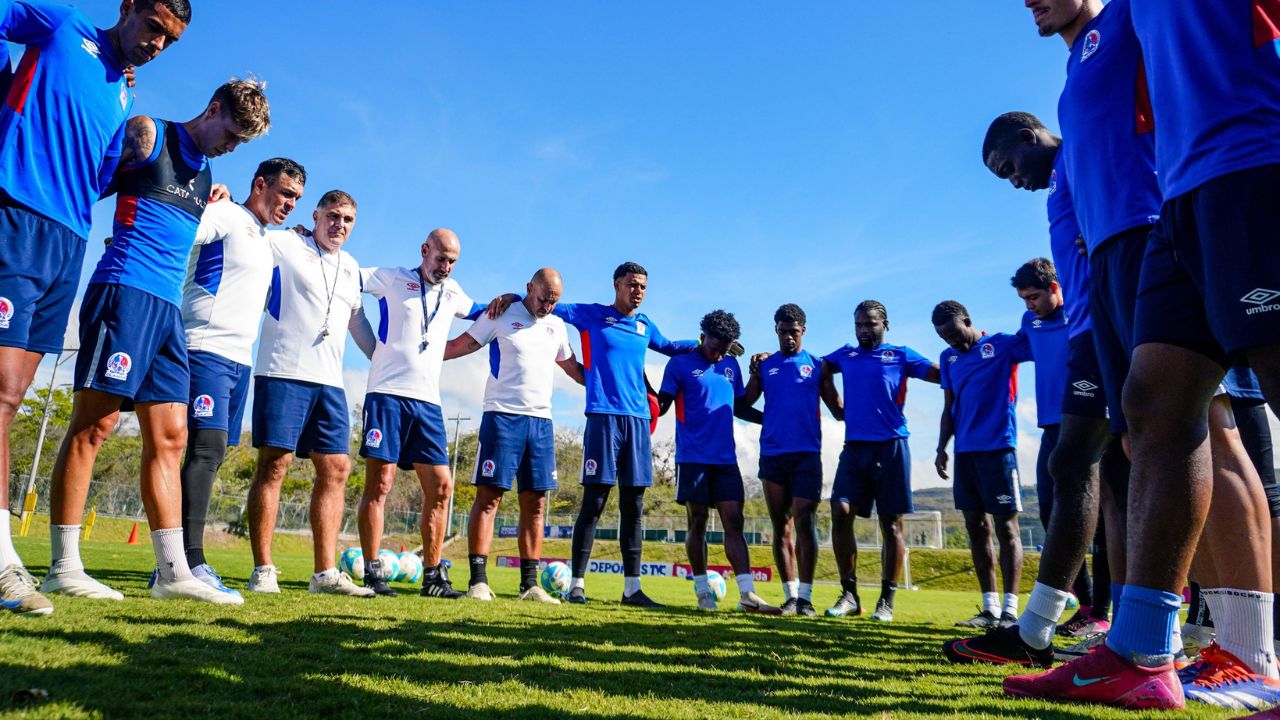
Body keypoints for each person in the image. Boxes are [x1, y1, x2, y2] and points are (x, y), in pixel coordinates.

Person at [1000, 1, 1280, 710]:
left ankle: (1252, 649)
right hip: (1177, 212)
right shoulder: (1118, 27)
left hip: (1248, 172)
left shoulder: (1119, 20)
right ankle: (1144, 651)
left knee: (1230, 420)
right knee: (1154, 410)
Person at [40, 79, 267, 605]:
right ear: (212, 109)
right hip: (124, 291)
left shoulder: (208, 171)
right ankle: (63, 566)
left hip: (168, 312)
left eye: (241, 144)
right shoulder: (150, 133)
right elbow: (85, 184)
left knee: (170, 439)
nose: (230, 148)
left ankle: (172, 572)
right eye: (231, 134)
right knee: (93, 426)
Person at [0, 0, 190, 615]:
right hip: (16, 213)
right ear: (128, 7)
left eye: (170, 40)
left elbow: (102, 176)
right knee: (0, 391)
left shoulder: (121, 94)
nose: (157, 44)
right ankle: (5, 561)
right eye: (153, 28)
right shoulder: (62, 26)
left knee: (11, 397)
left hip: (70, 240)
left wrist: (131, 155)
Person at [487, 261, 709, 607]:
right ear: (617, 284)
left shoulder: (644, 324)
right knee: (595, 502)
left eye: (643, 287)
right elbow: (544, 301)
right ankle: (576, 585)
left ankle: (632, 589)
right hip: (603, 417)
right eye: (632, 284)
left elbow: (669, 346)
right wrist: (512, 295)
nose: (638, 291)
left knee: (633, 506)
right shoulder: (590, 314)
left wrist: (706, 342)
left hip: (637, 421)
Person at [175, 158, 306, 598]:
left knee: (212, 453)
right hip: (204, 347)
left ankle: (179, 561)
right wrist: (208, 198)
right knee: (204, 450)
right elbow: (180, 234)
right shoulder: (226, 214)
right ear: (260, 184)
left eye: (296, 199)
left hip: (238, 361)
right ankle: (185, 562)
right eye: (284, 193)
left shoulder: (268, 241)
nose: (289, 204)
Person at [245, 190, 375, 597]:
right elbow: (250, 233)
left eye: (348, 219)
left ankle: (325, 574)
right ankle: (263, 569)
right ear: (316, 216)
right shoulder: (285, 243)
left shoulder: (351, 268)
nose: (339, 224)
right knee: (275, 465)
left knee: (337, 468)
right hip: (282, 370)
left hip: (330, 382)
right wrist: (231, 200)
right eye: (333, 216)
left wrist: (386, 362)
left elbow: (358, 324)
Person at [353, 229, 486, 598]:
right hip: (386, 396)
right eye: (440, 258)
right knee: (380, 484)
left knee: (442, 485)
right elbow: (345, 272)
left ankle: (433, 577)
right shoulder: (392, 278)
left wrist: (509, 300)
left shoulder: (454, 292)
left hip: (428, 402)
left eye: (452, 261)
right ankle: (373, 571)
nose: (445, 267)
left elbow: (484, 312)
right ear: (424, 250)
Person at [443, 268, 584, 603]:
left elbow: (572, 368)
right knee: (489, 498)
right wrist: (420, 355)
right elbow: (463, 345)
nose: (547, 306)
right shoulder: (501, 313)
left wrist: (608, 385)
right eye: (542, 298)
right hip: (502, 418)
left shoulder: (556, 326)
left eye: (554, 301)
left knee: (535, 505)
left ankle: (530, 585)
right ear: (528, 289)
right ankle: (478, 581)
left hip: (541, 423)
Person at [819, 300, 939, 622]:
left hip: (892, 446)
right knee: (840, 510)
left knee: (891, 524)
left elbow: (944, 375)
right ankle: (849, 594)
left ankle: (886, 601)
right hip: (855, 446)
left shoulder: (901, 355)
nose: (863, 330)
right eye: (859, 324)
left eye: (870, 324)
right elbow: (818, 369)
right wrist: (835, 406)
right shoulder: (845, 355)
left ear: (885, 324)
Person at [657, 310, 777, 614]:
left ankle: (748, 595)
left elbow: (739, 406)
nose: (718, 352)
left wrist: (769, 418)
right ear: (703, 334)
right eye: (714, 345)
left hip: (725, 459)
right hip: (692, 458)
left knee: (734, 522)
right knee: (696, 521)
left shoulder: (730, 365)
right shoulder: (680, 364)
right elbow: (661, 405)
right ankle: (702, 592)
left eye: (725, 347)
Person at [933, 300, 1031, 630]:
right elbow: (950, 406)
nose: (951, 341)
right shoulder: (948, 359)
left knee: (1006, 529)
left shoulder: (1001, 345)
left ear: (968, 321)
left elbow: (1038, 342)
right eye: (943, 337)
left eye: (954, 333)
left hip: (999, 450)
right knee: (976, 528)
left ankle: (1010, 610)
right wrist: (941, 447)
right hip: (966, 454)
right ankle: (988, 608)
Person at [742, 303, 826, 616]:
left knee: (806, 521)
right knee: (782, 527)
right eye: (783, 331)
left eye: (794, 332)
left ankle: (806, 598)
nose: (788, 337)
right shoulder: (764, 366)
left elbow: (838, 407)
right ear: (776, 330)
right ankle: (790, 596)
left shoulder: (818, 365)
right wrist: (769, 417)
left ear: (803, 331)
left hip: (806, 454)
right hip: (773, 455)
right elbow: (743, 402)